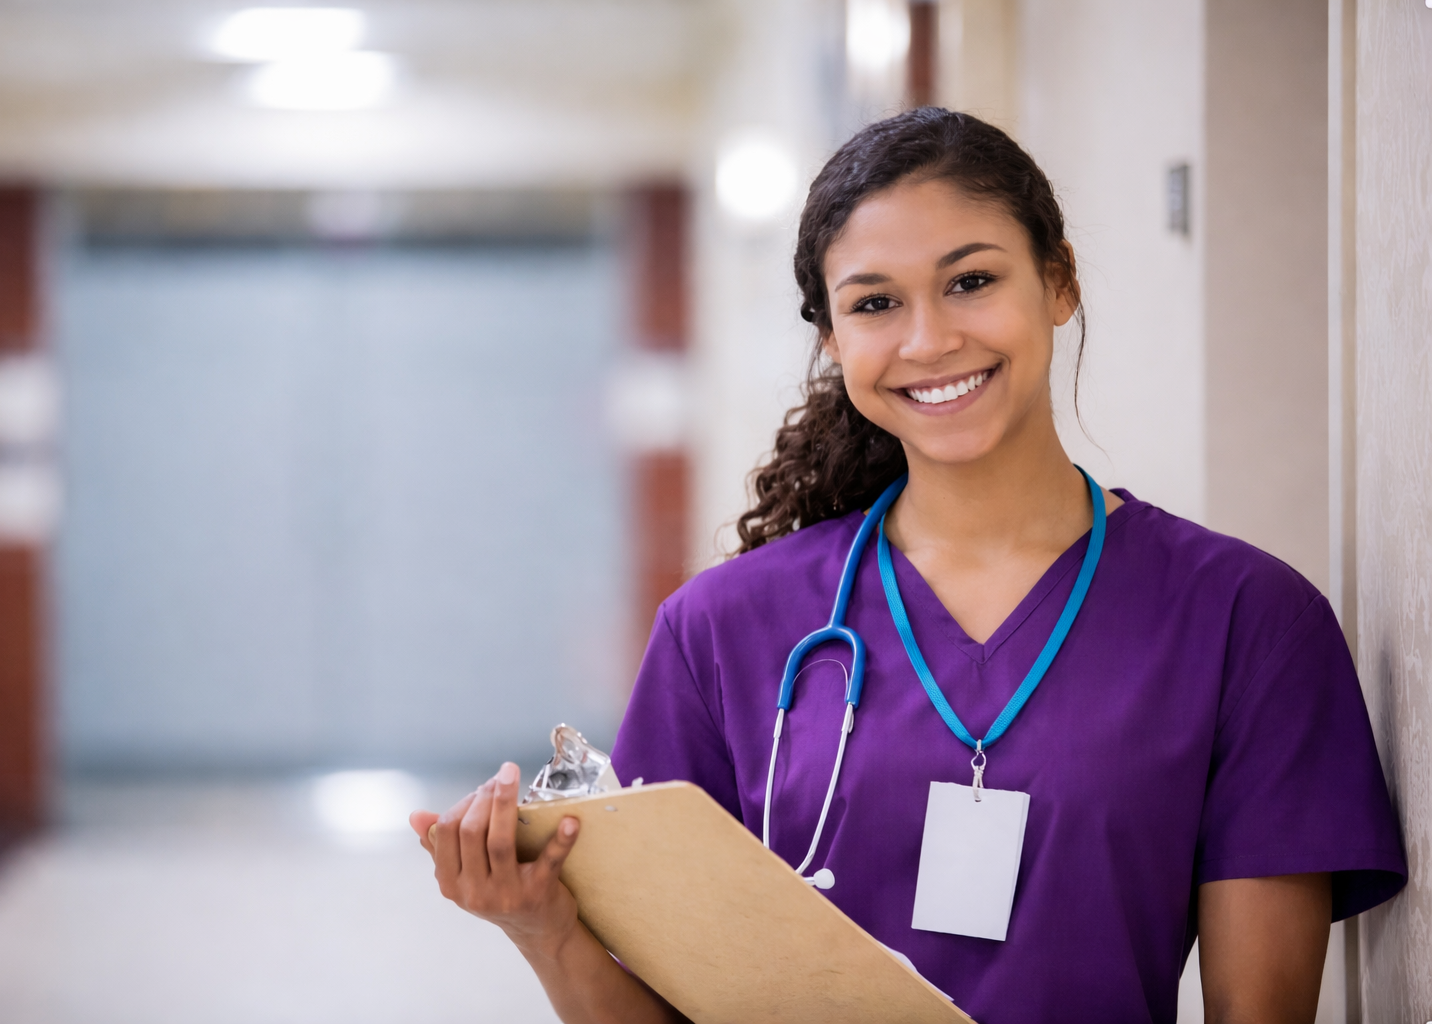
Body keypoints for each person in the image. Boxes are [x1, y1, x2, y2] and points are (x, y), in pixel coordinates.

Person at [409, 107, 1406, 1024]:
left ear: (1058, 282)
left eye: (972, 280)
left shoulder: (1247, 623)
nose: (930, 339)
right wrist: (545, 931)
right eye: (876, 302)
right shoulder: (721, 633)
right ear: (834, 338)